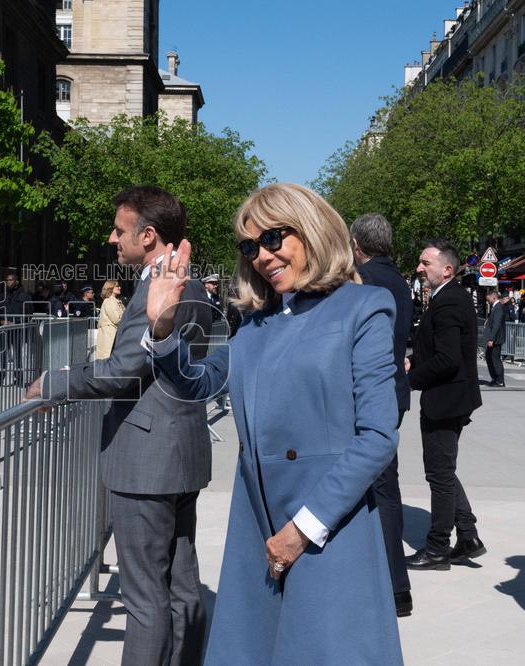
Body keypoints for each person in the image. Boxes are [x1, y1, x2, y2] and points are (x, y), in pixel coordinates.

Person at [143, 183, 402, 664]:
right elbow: (198, 383)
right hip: (258, 526)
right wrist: (161, 327)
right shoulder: (255, 322)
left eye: (273, 238)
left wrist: (302, 529)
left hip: (327, 527)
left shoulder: (363, 309)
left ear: (310, 231)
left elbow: (378, 436)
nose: (262, 255)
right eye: (249, 246)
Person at [26, 185, 212, 665]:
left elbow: (123, 371)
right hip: (175, 456)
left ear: (147, 235)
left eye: (119, 229)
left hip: (148, 462)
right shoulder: (184, 283)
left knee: (147, 598)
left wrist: (53, 382)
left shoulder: (164, 288)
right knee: (180, 588)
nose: (112, 239)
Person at [405, 239, 485, 571]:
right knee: (444, 470)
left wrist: (410, 379)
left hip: (446, 400)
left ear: (447, 269)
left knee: (438, 474)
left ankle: (438, 547)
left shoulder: (449, 301)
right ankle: (467, 536)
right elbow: (439, 350)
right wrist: (414, 360)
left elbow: (447, 360)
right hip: (450, 398)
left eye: (426, 263)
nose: (420, 269)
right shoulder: (446, 298)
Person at [350, 212, 415, 617]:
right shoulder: (401, 282)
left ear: (357, 244)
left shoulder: (363, 280)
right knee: (385, 486)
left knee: (371, 486)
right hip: (394, 391)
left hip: (369, 395)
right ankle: (396, 585)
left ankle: (390, 584)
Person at [95, 280, 124, 360]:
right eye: (117, 286)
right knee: (106, 360)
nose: (119, 287)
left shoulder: (117, 302)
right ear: (110, 288)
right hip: (109, 337)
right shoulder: (109, 301)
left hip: (114, 335)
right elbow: (117, 319)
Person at [483, 289, 506, 387]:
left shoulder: (499, 307)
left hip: (496, 339)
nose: (487, 301)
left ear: (493, 297)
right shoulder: (494, 307)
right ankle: (494, 378)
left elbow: (496, 324)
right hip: (493, 338)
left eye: (488, 299)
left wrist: (492, 339)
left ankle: (500, 380)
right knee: (489, 358)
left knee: (495, 359)